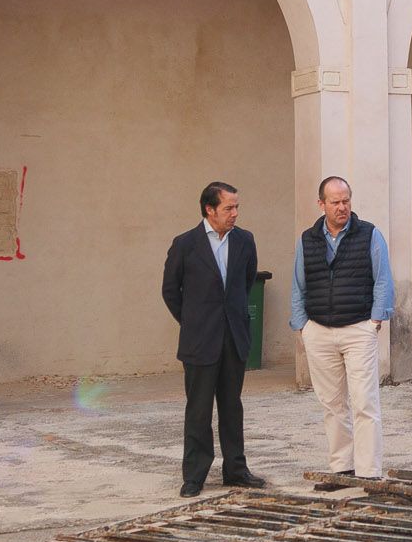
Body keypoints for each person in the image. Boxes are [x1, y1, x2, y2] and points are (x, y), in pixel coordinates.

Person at [162, 181, 266, 495]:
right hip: (199, 341)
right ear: (210, 209)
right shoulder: (185, 244)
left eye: (236, 207)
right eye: (228, 208)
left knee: (232, 407)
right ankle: (194, 475)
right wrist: (194, 322)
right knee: (199, 409)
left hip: (233, 338)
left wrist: (229, 318)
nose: (235, 213)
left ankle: (236, 469)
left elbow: (246, 281)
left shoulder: (245, 241)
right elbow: (170, 291)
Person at [291, 174, 392, 486]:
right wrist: (303, 326)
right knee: (332, 405)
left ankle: (368, 471)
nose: (342, 207)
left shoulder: (369, 234)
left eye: (346, 200)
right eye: (334, 202)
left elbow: (383, 280)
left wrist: (375, 320)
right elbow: (298, 285)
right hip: (319, 330)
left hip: (358, 327)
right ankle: (341, 469)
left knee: (364, 402)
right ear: (321, 204)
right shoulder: (307, 240)